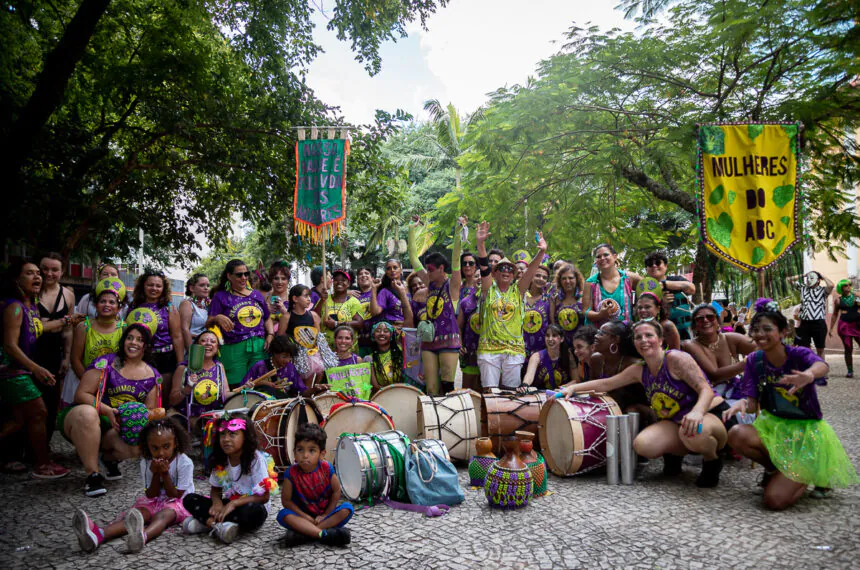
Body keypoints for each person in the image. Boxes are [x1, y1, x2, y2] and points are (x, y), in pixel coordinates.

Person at [723, 299, 858, 510]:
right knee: (736, 433)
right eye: (756, 329)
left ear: (784, 332)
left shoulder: (798, 355)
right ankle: (774, 469)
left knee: (774, 501)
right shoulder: (753, 361)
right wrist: (740, 403)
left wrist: (808, 375)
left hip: (805, 435)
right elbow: (751, 403)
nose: (760, 334)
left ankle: (808, 471)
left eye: (767, 329)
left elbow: (822, 365)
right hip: (773, 428)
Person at [562, 320, 729, 487]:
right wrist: (573, 389)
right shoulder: (639, 369)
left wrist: (697, 412)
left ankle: (712, 458)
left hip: (709, 412)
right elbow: (607, 384)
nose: (643, 340)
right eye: (638, 337)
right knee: (643, 445)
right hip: (677, 421)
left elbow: (706, 389)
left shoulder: (676, 358)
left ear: (661, 340)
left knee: (693, 433)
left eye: (649, 335)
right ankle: (676, 454)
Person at [60, 324, 163, 496]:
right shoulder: (105, 363)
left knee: (136, 447)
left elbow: (149, 411)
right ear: (123, 341)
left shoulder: (153, 376)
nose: (133, 343)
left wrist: (132, 418)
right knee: (88, 413)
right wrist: (106, 409)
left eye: (139, 340)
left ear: (146, 346)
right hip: (83, 418)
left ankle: (108, 458)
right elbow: (81, 394)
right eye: (130, 338)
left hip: (116, 427)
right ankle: (92, 475)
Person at [72, 418, 194, 553]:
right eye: (155, 448)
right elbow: (151, 494)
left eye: (166, 446)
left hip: (179, 501)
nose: (160, 453)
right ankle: (98, 534)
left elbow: (175, 495)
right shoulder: (146, 462)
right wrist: (155, 474)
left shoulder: (184, 463)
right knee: (140, 514)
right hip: (156, 498)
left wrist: (164, 474)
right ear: (147, 446)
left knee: (164, 515)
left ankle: (143, 536)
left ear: (175, 443)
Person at [0, 259, 70, 479]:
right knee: (39, 412)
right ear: (16, 279)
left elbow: (39, 327)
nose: (38, 277)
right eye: (30, 273)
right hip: (11, 372)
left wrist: (68, 320)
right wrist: (36, 368)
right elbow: (10, 346)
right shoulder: (13, 306)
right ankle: (43, 464)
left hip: (20, 371)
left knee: (19, 420)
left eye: (38, 273)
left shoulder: (28, 307)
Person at [182, 413, 277, 543]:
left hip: (249, 505)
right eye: (222, 434)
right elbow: (215, 490)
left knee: (254, 511)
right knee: (189, 499)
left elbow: (264, 497)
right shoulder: (220, 459)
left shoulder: (255, 459)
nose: (226, 439)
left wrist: (234, 503)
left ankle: (206, 522)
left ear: (245, 437)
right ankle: (214, 524)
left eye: (232, 434)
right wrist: (217, 503)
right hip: (228, 505)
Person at [475, 221, 548, 391]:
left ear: (514, 274)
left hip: (513, 349)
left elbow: (531, 271)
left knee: (510, 395)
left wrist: (541, 251)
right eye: (502, 268)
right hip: (489, 348)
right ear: (496, 273)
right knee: (490, 393)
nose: (506, 270)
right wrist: (481, 244)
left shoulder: (519, 290)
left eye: (510, 268)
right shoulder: (488, 289)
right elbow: (485, 269)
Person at [407, 216, 465, 395]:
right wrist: (411, 230)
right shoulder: (429, 282)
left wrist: (458, 233)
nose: (427, 272)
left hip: (449, 339)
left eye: (431, 269)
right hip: (429, 340)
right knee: (431, 388)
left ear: (441, 269)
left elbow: (456, 260)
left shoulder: (453, 284)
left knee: (447, 386)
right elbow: (412, 258)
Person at [276, 423, 353, 546]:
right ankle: (324, 534)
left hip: (324, 517)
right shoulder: (291, 473)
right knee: (283, 515)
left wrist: (326, 514)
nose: (305, 455)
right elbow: (286, 501)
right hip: (302, 517)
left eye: (311, 450)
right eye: (300, 450)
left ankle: (305, 533)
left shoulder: (326, 469)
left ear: (322, 454)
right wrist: (306, 517)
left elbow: (336, 491)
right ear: (294, 452)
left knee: (347, 509)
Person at [34, 252, 81, 443]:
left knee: (51, 400)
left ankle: (44, 448)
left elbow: (68, 330)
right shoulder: (31, 291)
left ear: (62, 272)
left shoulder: (68, 295)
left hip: (54, 350)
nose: (49, 273)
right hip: (31, 349)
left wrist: (67, 356)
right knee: (30, 401)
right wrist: (64, 321)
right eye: (44, 269)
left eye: (54, 270)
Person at [207, 260, 273, 387]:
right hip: (233, 348)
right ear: (229, 276)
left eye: (246, 274)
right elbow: (208, 323)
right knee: (236, 386)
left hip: (259, 346)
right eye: (239, 275)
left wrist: (270, 334)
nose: (244, 277)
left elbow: (267, 318)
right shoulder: (220, 296)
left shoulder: (256, 295)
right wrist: (217, 318)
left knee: (260, 384)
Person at [63, 279, 127, 407]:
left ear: (119, 307)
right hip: (82, 381)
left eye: (111, 302)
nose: (106, 305)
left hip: (114, 386)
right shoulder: (84, 327)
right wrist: (89, 384)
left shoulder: (125, 328)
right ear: (96, 305)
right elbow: (75, 360)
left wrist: (110, 386)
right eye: (102, 301)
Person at [171, 330, 252, 430]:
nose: (208, 343)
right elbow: (172, 400)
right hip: (187, 418)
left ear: (217, 348)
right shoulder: (184, 368)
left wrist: (244, 389)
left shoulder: (219, 367)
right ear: (196, 346)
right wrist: (188, 388)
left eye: (213, 342)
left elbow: (224, 394)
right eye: (204, 341)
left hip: (212, 418)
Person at [682, 304, 756, 398]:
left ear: (717, 322)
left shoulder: (730, 338)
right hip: (706, 399)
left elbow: (762, 349)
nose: (705, 320)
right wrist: (748, 361)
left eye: (710, 317)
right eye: (700, 319)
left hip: (736, 393)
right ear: (694, 326)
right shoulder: (690, 345)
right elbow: (715, 374)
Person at [130, 271, 184, 399]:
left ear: (163, 288)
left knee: (163, 396)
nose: (154, 288)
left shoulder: (169, 308)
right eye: (150, 285)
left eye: (158, 286)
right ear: (143, 286)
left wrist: (180, 364)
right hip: (141, 356)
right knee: (143, 395)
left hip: (165, 358)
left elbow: (177, 336)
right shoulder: (134, 307)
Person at [281, 284, 338, 382]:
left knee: (315, 378)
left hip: (312, 356)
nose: (309, 299)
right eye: (305, 296)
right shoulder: (287, 317)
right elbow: (280, 338)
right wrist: (292, 342)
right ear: (295, 298)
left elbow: (318, 337)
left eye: (309, 296)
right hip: (294, 356)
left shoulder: (313, 316)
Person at [244, 335, 327, 398]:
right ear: (274, 353)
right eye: (284, 356)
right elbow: (243, 388)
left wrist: (315, 389)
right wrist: (261, 383)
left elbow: (303, 392)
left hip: (283, 405)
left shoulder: (290, 368)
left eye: (290, 357)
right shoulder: (260, 366)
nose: (288, 360)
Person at [582, 244, 642, 326]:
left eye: (606, 255)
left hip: (625, 332)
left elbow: (650, 287)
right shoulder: (590, 283)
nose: (602, 258)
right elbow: (585, 311)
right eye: (598, 256)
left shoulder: (629, 278)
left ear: (614, 257)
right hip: (600, 333)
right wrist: (600, 315)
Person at [643, 252, 695, 339]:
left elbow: (692, 288)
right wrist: (661, 301)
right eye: (650, 264)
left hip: (684, 332)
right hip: (660, 334)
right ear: (646, 269)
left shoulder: (678, 280)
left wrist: (664, 284)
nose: (654, 266)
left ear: (666, 266)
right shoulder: (644, 288)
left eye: (658, 263)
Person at [317, 269, 363, 350]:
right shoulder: (325, 299)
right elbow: (314, 317)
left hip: (347, 351)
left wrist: (336, 324)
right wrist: (321, 300)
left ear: (348, 283)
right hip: (326, 350)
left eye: (343, 280)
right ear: (332, 282)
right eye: (336, 280)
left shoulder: (353, 302)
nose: (339, 282)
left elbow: (359, 324)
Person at [520, 325, 574, 391]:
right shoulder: (536, 356)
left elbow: (576, 380)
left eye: (554, 336)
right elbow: (529, 376)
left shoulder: (568, 356)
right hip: (540, 395)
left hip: (562, 395)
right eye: (547, 335)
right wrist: (525, 385)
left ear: (562, 339)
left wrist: (562, 389)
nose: (550, 339)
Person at [458, 251, 482, 392]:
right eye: (477, 277)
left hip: (489, 350)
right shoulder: (465, 300)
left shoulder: (495, 299)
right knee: (467, 388)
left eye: (471, 263)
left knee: (485, 388)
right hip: (469, 348)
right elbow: (459, 326)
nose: (479, 279)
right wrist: (460, 344)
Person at [829, 279, 860, 377]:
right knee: (848, 348)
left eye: (849, 285)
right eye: (846, 285)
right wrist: (831, 328)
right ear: (841, 287)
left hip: (857, 325)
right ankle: (850, 371)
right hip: (844, 326)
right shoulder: (838, 300)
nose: (848, 286)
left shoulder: (856, 297)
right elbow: (834, 314)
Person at [550, 263, 585, 347]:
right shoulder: (555, 299)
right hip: (561, 345)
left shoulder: (584, 297)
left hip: (582, 344)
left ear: (577, 279)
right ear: (560, 281)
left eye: (571, 278)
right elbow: (552, 323)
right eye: (564, 278)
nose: (567, 281)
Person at [523, 265, 551, 361]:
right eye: (537, 275)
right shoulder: (520, 296)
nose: (541, 279)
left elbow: (551, 323)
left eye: (544, 277)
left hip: (541, 349)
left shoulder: (548, 299)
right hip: (519, 348)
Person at [368, 259, 407, 327]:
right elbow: (375, 312)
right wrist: (374, 289)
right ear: (386, 272)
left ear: (400, 270)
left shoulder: (409, 288)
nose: (392, 270)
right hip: (392, 329)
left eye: (395, 267)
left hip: (409, 328)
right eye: (389, 268)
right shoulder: (385, 292)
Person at [369, 321, 405, 392]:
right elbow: (375, 386)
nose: (382, 334)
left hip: (403, 392)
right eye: (378, 331)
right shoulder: (370, 358)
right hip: (382, 395)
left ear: (391, 335)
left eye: (386, 331)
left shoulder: (401, 352)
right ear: (373, 335)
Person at [178, 273, 210, 352]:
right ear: (192, 288)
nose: (206, 288)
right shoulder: (187, 303)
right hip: (192, 348)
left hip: (206, 348)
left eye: (208, 285)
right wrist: (191, 353)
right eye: (202, 285)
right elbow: (184, 329)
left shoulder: (206, 305)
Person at [263, 260, 291, 333]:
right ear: (271, 280)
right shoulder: (264, 297)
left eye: (283, 278)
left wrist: (284, 311)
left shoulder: (293, 298)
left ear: (288, 280)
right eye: (276, 278)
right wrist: (264, 310)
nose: (280, 282)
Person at [354, 267, 376, 357]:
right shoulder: (354, 296)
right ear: (358, 281)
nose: (363, 275)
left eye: (366, 273)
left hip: (376, 339)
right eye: (360, 274)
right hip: (360, 340)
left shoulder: (378, 292)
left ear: (372, 278)